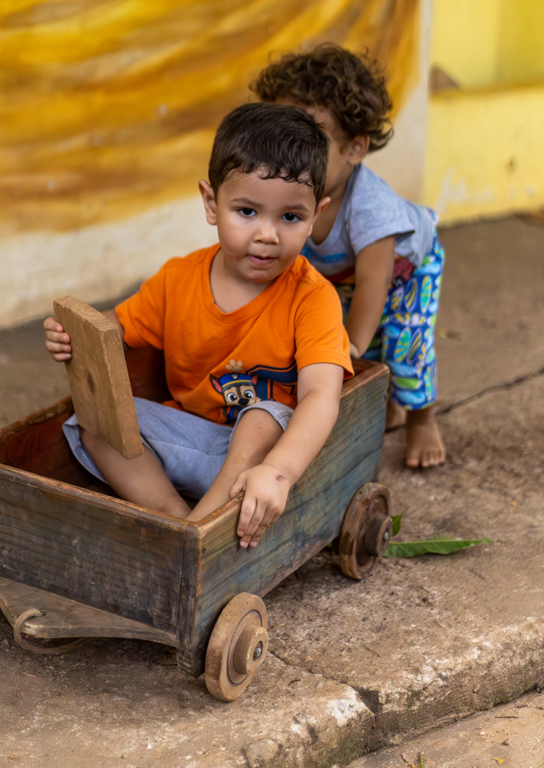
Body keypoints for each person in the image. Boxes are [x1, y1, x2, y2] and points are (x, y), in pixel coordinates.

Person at [44, 103, 353, 549]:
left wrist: (279, 472)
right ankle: (175, 518)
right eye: (247, 212)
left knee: (261, 419)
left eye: (290, 217)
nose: (267, 234)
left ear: (316, 214)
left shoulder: (312, 296)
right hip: (189, 442)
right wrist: (70, 335)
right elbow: (110, 332)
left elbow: (322, 395)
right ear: (212, 204)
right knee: (94, 422)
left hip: (263, 461)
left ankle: (197, 539)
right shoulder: (178, 280)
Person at [251, 44, 446, 469]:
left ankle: (421, 418)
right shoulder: (284, 187)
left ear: (355, 149)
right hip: (343, 273)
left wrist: (351, 350)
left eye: (311, 137)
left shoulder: (369, 207)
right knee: (327, 334)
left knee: (400, 343)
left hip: (407, 268)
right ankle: (385, 405)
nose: (292, 150)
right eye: (283, 133)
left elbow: (374, 284)